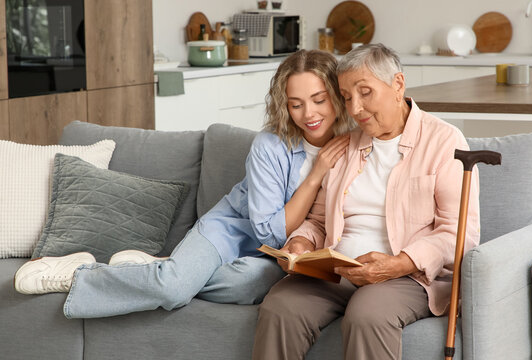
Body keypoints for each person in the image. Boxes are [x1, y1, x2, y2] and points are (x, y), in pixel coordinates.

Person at [14, 49, 357, 318]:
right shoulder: (270, 146)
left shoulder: (354, 143)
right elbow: (270, 232)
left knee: (249, 287)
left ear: (337, 96)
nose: (308, 114)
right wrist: (315, 175)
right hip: (230, 232)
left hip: (271, 261)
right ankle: (80, 274)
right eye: (296, 104)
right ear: (285, 106)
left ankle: (157, 268)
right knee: (174, 290)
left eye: (319, 99)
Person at [252, 43, 480, 360]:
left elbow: (459, 232)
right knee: (281, 306)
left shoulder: (444, 141)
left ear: (397, 84)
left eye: (365, 93)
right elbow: (317, 221)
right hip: (339, 272)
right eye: (346, 97)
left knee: (368, 312)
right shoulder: (345, 145)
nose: (355, 108)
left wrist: (398, 263)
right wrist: (300, 244)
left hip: (408, 276)